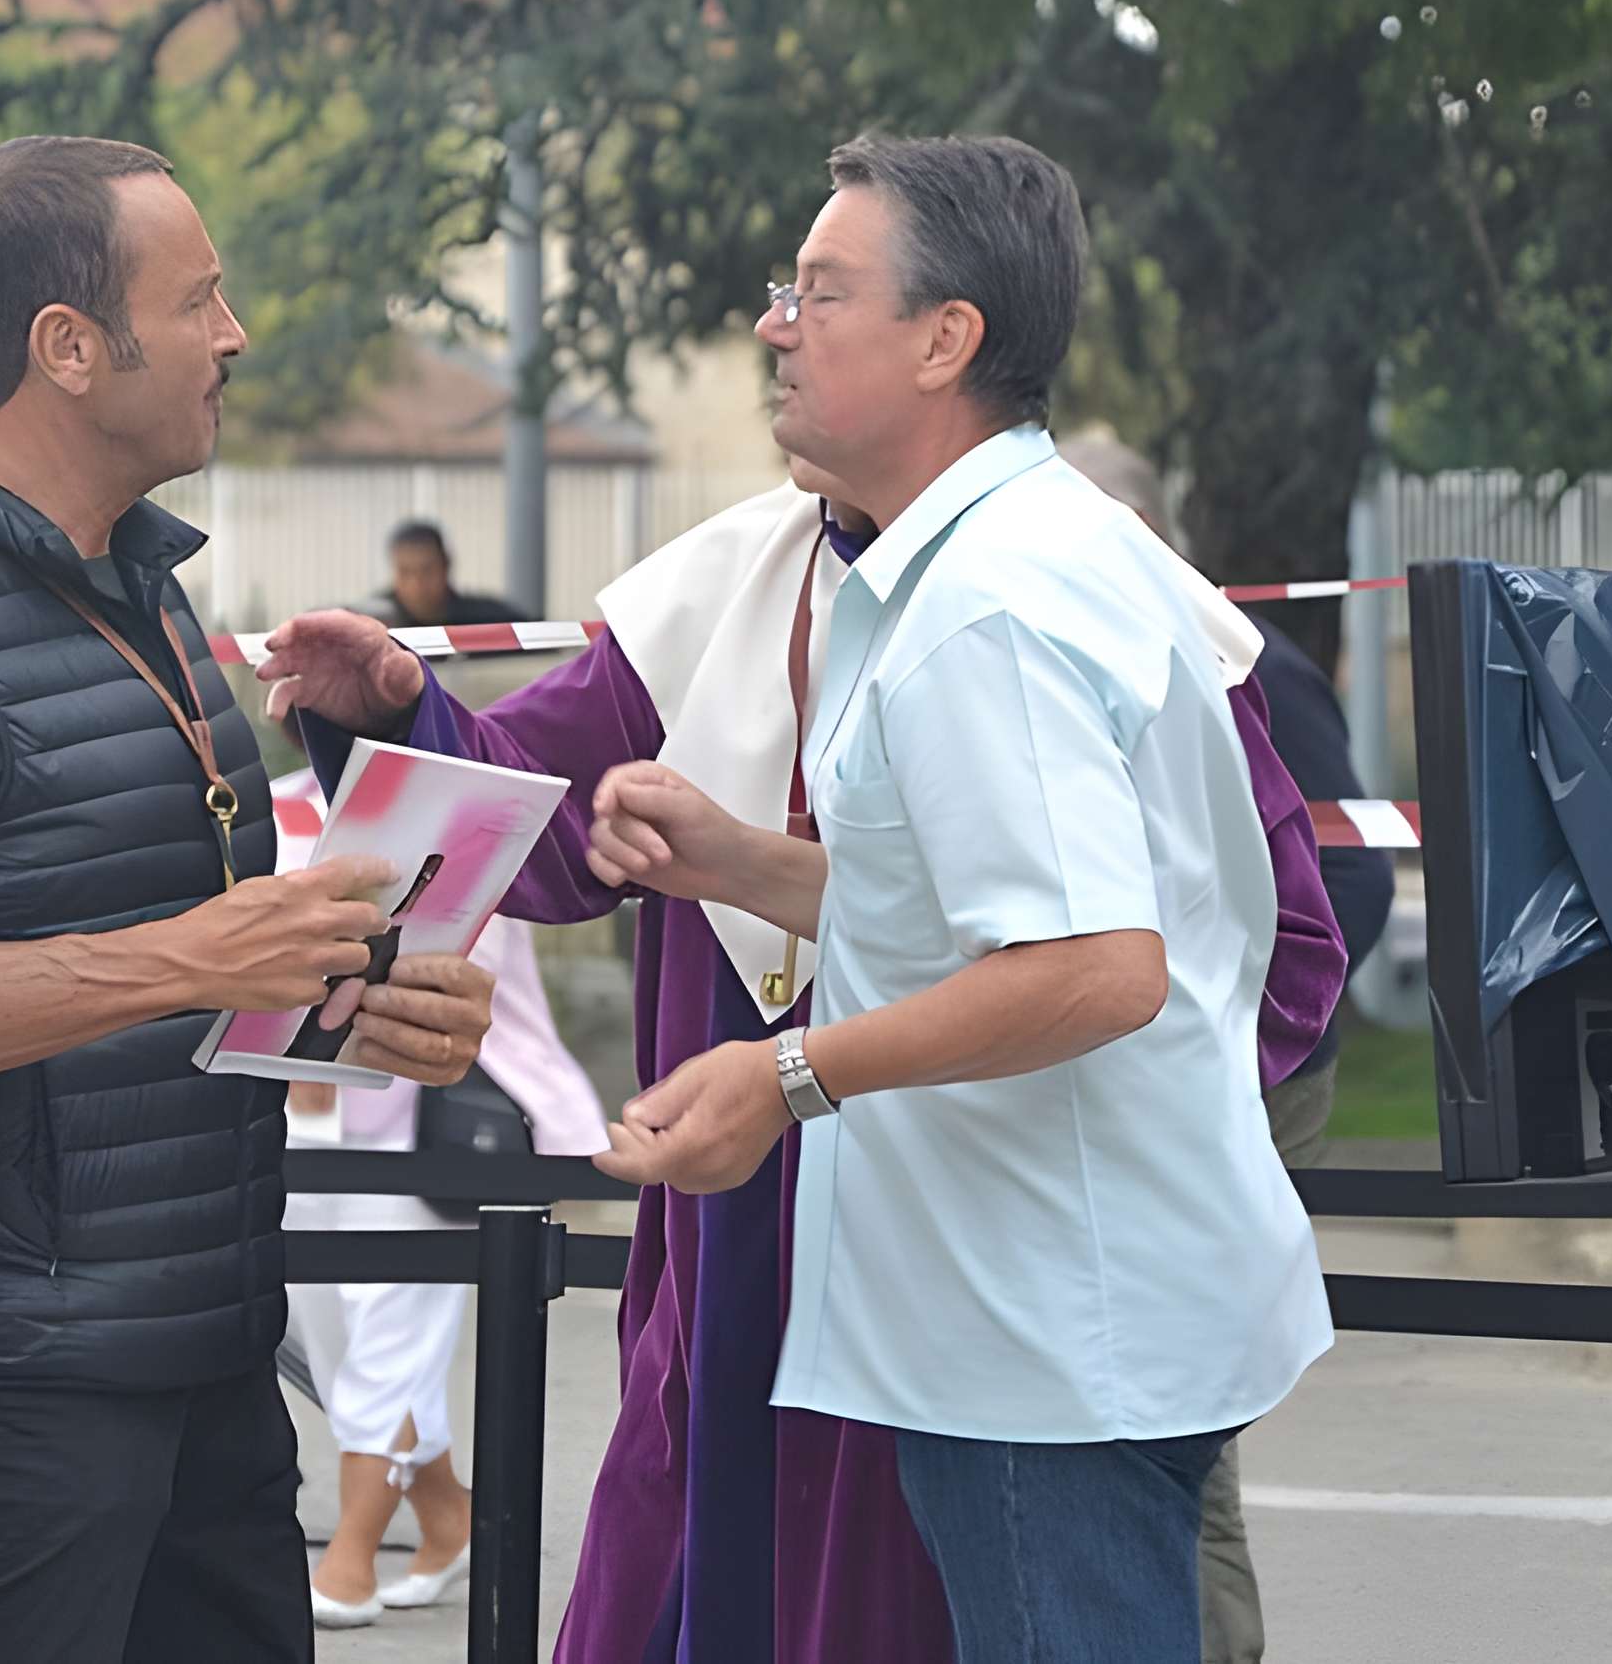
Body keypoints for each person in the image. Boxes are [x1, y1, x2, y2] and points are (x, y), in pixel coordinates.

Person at [263, 137, 1340, 1664]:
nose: (776, 325)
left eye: (819, 292)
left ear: (945, 338)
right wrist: (417, 715)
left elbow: (1167, 961)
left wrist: (807, 1074)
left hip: (1004, 1276)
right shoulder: (889, 573)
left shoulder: (989, 601)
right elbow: (563, 824)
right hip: (823, 1260)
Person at [0, 134, 499, 1664]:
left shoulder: (136, 582)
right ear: (68, 349)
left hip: (207, 1339)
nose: (237, 334)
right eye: (202, 297)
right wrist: (186, 958)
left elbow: (174, 951)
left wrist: (367, 998)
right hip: (19, 1376)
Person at [1056, 434, 1392, 1664]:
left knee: (1172, 1409)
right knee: (1136, 1402)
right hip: (1145, 1075)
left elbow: (1341, 886)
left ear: (1139, 533)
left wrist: (1225, 1038)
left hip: (1238, 1077)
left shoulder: (1244, 661)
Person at [268, 768, 611, 1631]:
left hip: (426, 1129)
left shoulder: (467, 817)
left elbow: (445, 967)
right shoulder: (268, 801)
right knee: (335, 1352)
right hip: (292, 1130)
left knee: (391, 1336)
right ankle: (451, 1519)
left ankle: (349, 1562)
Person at [370, 518, 522, 629]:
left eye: (427, 571)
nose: (416, 584)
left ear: (446, 566)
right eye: (405, 572)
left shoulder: (491, 621)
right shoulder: (373, 627)